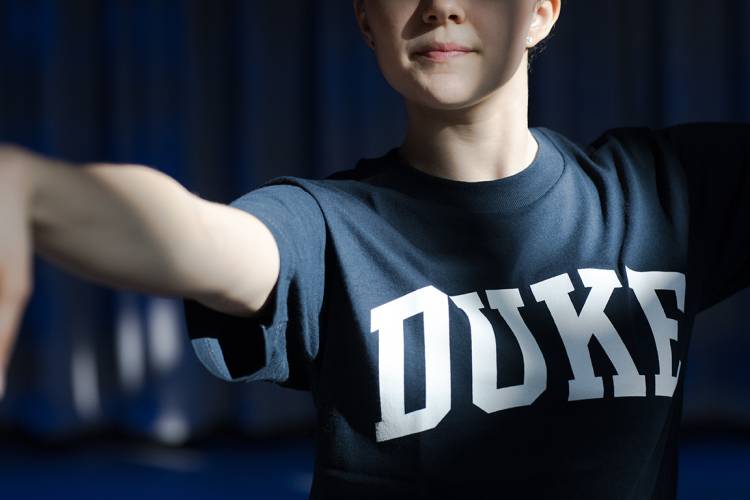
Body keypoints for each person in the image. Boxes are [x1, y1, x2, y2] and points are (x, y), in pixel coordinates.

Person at [0, 0, 747, 498]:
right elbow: (195, 236)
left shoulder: (659, 192)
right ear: (365, 19)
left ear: (543, 10)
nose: (439, 5)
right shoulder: (327, 227)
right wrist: (33, 189)